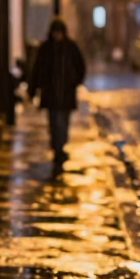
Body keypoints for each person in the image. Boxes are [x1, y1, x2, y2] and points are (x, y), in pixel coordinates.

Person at [28, 18, 86, 171]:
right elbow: (37, 70)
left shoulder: (71, 48)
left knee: (63, 124)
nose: (57, 36)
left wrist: (75, 81)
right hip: (52, 95)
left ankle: (60, 148)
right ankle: (57, 150)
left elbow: (80, 66)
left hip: (66, 95)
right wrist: (33, 90)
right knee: (54, 124)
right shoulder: (46, 49)